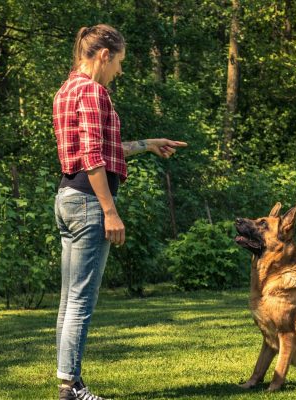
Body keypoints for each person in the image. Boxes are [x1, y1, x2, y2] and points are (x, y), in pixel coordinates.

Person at [52, 24, 187, 400]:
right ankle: (71, 387)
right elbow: (94, 158)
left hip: (67, 197)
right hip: (89, 203)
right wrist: (110, 212)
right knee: (81, 300)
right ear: (104, 55)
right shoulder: (94, 92)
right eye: (120, 63)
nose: (120, 72)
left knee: (69, 299)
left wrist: (149, 144)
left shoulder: (66, 91)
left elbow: (102, 149)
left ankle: (68, 382)